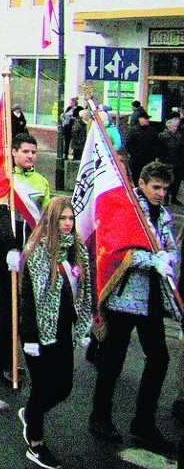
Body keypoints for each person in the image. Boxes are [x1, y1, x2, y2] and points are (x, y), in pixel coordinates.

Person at [89, 162, 177, 450]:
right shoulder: (129, 212)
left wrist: (170, 257)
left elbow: (170, 247)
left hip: (151, 298)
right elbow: (119, 250)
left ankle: (143, 421)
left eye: (165, 188)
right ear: (141, 183)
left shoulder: (163, 215)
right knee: (113, 360)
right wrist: (153, 260)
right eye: (156, 187)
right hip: (124, 298)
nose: (161, 193)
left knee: (159, 358)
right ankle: (100, 416)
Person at [17, 197, 92, 469]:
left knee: (63, 387)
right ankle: (35, 444)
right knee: (42, 387)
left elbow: (83, 291)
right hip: (38, 332)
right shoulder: (37, 252)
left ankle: (30, 413)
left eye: (71, 219)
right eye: (62, 218)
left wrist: (83, 323)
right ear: (51, 220)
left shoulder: (76, 250)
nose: (68, 223)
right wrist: (30, 339)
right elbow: (27, 299)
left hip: (63, 330)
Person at [0, 133, 50, 385]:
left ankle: (17, 355)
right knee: (9, 307)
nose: (30, 156)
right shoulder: (4, 179)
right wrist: (11, 246)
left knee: (26, 306)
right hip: (6, 252)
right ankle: (3, 360)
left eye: (33, 152)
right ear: (13, 152)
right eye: (25, 151)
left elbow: (45, 217)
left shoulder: (41, 181)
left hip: (31, 251)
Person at [124, 111, 161, 186]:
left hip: (149, 159)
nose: (147, 120)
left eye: (148, 119)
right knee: (136, 176)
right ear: (140, 119)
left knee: (147, 176)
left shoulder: (152, 130)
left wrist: (155, 154)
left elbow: (157, 143)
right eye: (145, 118)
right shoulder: (133, 130)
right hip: (137, 159)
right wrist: (134, 153)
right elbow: (128, 144)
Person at [157, 117, 183, 206]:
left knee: (177, 181)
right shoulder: (162, 136)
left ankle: (174, 198)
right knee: (167, 180)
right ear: (169, 126)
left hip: (178, 161)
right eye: (174, 126)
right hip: (167, 161)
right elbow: (159, 149)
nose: (175, 128)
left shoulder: (179, 136)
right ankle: (166, 198)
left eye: (176, 126)